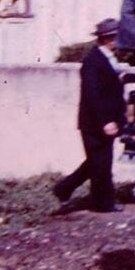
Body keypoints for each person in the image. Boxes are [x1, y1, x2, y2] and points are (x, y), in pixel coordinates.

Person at [53, 19, 126, 213]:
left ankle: (65, 189)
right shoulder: (93, 61)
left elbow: (109, 85)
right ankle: (102, 203)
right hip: (95, 122)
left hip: (104, 120)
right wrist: (105, 121)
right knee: (100, 162)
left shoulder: (108, 58)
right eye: (116, 36)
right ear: (108, 39)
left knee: (99, 161)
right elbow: (92, 95)